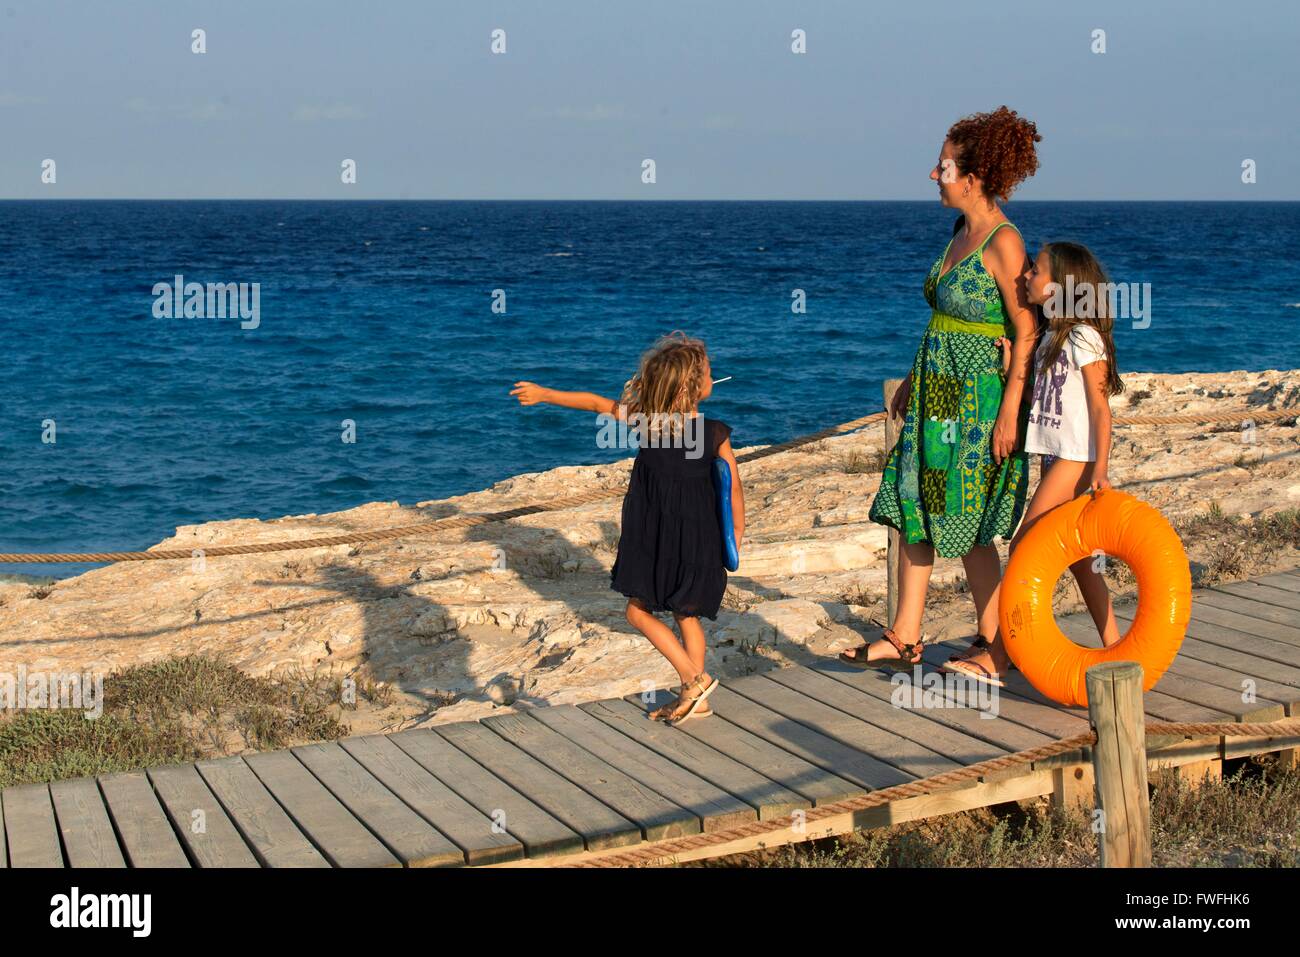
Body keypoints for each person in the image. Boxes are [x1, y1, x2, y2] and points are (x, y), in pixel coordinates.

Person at [840, 106, 1041, 670]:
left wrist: (1009, 411)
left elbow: (1024, 330)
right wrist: (913, 377)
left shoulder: (1004, 242)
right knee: (917, 505)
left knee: (969, 517)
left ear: (971, 178)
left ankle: (996, 642)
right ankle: (905, 633)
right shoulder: (960, 231)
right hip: (937, 389)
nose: (934, 175)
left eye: (943, 166)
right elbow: (946, 320)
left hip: (978, 399)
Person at [510, 331, 744, 724]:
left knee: (638, 614)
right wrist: (735, 538)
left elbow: (596, 403)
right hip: (699, 544)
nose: (712, 377)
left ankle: (693, 679)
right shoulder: (715, 432)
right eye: (708, 372)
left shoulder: (647, 423)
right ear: (694, 388)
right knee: (687, 616)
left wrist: (545, 393)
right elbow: (732, 489)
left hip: (658, 544)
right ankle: (695, 697)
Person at [944, 242, 1124, 685]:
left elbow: (1101, 409)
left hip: (1075, 460)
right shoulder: (1050, 338)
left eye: (1035, 272)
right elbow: (1045, 403)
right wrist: (1012, 374)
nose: (1025, 277)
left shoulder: (1084, 336)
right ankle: (1118, 649)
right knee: (1080, 558)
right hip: (1053, 456)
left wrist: (1100, 469)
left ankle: (1001, 655)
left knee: (1025, 548)